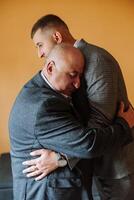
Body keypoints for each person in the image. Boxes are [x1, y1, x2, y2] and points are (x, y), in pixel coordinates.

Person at [22, 15, 134, 200]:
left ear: (57, 37)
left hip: (116, 167)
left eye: (40, 45)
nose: (40, 53)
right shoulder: (75, 61)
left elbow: (100, 118)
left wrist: (60, 158)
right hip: (97, 160)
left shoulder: (97, 60)